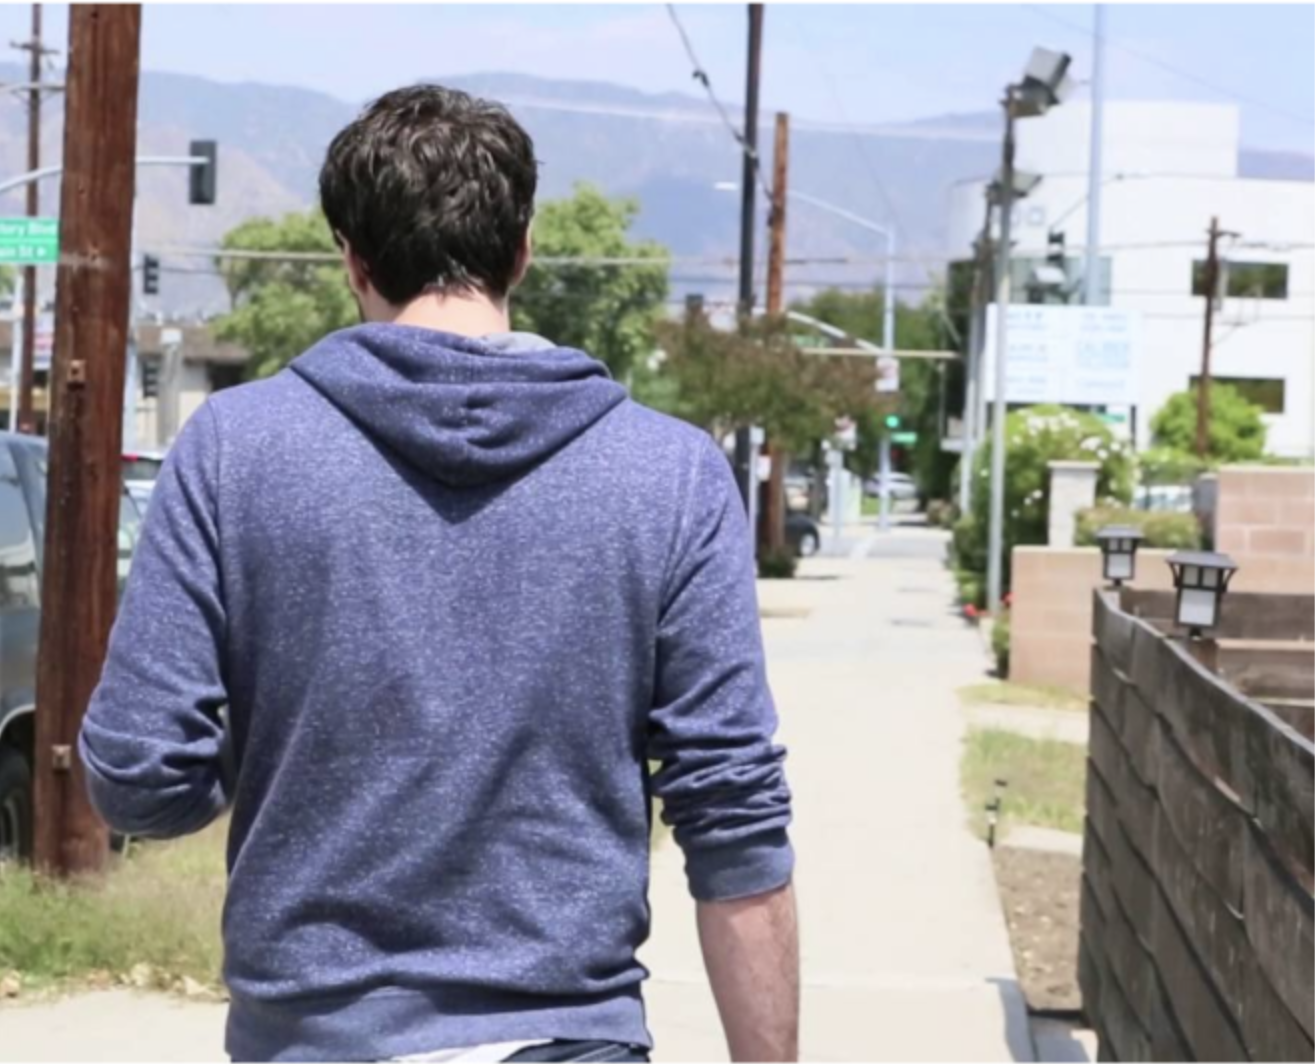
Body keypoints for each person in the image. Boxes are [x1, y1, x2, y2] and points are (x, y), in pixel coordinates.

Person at [81, 84, 797, 1063]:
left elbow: (136, 776)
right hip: (568, 1036)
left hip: (314, 1038)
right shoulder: (669, 474)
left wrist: (280, 742)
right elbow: (736, 817)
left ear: (352, 260)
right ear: (523, 250)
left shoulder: (234, 450)